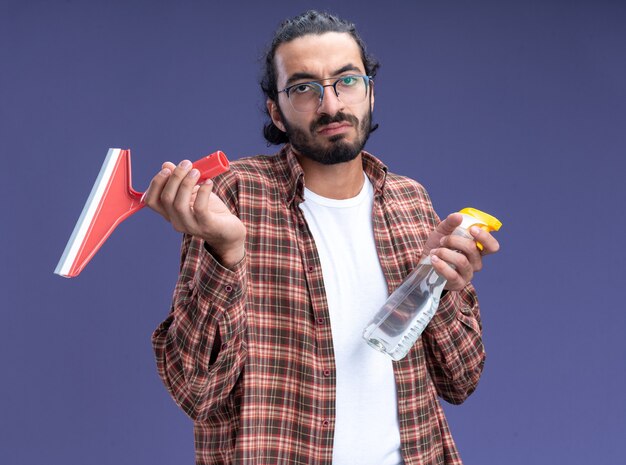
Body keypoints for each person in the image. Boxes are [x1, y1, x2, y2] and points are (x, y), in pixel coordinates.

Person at [144, 10, 500, 465]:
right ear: (276, 109)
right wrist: (227, 254)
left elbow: (461, 380)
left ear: (370, 91)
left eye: (346, 81)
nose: (331, 105)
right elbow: (196, 390)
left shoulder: (411, 201)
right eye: (303, 88)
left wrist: (440, 286)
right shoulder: (235, 194)